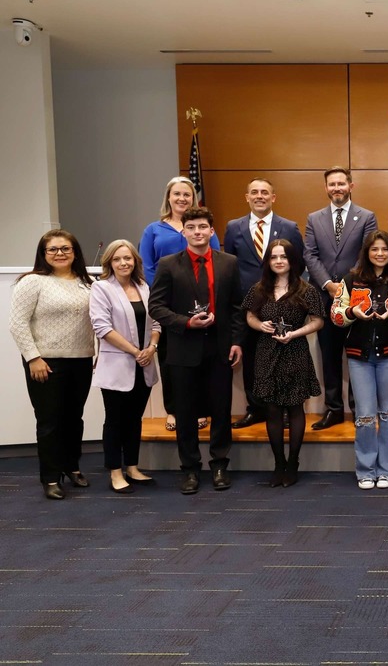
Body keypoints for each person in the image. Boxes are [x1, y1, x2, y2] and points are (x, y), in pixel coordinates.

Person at [149, 208, 245, 495]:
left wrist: (237, 341)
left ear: (212, 231)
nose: (197, 232)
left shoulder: (229, 263)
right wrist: (186, 322)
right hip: (182, 348)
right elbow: (157, 307)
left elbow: (238, 307)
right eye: (191, 227)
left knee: (220, 409)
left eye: (203, 227)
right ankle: (190, 469)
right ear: (184, 231)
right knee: (186, 412)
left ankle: (219, 465)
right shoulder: (168, 264)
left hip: (220, 347)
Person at [9, 230, 94, 500]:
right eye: (53, 249)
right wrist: (33, 357)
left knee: (74, 418)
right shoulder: (32, 282)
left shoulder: (87, 283)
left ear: (75, 252)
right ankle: (50, 477)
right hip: (45, 362)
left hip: (81, 359)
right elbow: (17, 323)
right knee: (49, 421)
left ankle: (71, 466)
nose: (60, 253)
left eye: (66, 248)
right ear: (43, 254)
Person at [333, 232, 388, 490]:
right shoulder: (350, 280)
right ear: (366, 253)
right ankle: (366, 470)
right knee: (365, 415)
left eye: (384, 249)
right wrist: (352, 312)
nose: (379, 254)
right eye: (374, 249)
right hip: (359, 355)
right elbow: (336, 315)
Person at [140, 176, 221, 433]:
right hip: (167, 306)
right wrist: (167, 296)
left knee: (201, 361)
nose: (182, 198)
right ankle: (173, 410)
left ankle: (199, 410)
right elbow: (148, 266)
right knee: (170, 361)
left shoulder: (206, 229)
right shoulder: (153, 229)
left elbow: (216, 265)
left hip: (202, 306)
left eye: (186, 194)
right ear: (169, 197)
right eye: (177, 194)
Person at [242, 239, 324, 487]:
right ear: (268, 261)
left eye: (284, 257)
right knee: (273, 410)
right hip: (266, 353)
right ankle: (278, 464)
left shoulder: (306, 289)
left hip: (295, 351)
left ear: (292, 260)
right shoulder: (258, 289)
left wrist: (296, 333)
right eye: (274, 257)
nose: (279, 261)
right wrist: (260, 325)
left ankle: (293, 463)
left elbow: (318, 321)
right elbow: (249, 317)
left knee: (296, 408)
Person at [223, 177, 303, 429]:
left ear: (273, 197)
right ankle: (255, 408)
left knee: (283, 356)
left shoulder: (289, 227)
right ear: (247, 197)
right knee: (250, 361)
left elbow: (299, 264)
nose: (260, 196)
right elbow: (229, 265)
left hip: (283, 303)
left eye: (265, 192)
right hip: (247, 306)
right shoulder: (234, 227)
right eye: (254, 192)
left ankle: (286, 409)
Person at [303, 167, 378, 429]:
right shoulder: (314, 218)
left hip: (356, 295)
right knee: (329, 355)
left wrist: (344, 287)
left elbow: (368, 253)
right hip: (324, 297)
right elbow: (309, 255)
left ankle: (360, 409)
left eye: (341, 183)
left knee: (357, 354)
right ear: (326, 188)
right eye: (332, 184)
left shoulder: (366, 217)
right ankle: (333, 409)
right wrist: (328, 284)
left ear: (351, 186)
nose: (337, 188)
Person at [89, 240, 161, 494]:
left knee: (134, 419)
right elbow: (102, 328)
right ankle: (115, 471)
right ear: (109, 262)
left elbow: (156, 323)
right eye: (118, 259)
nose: (124, 263)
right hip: (117, 364)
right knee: (115, 420)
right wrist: (135, 351)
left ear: (135, 262)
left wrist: (151, 348)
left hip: (144, 364)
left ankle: (132, 466)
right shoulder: (101, 289)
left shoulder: (143, 287)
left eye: (128, 258)